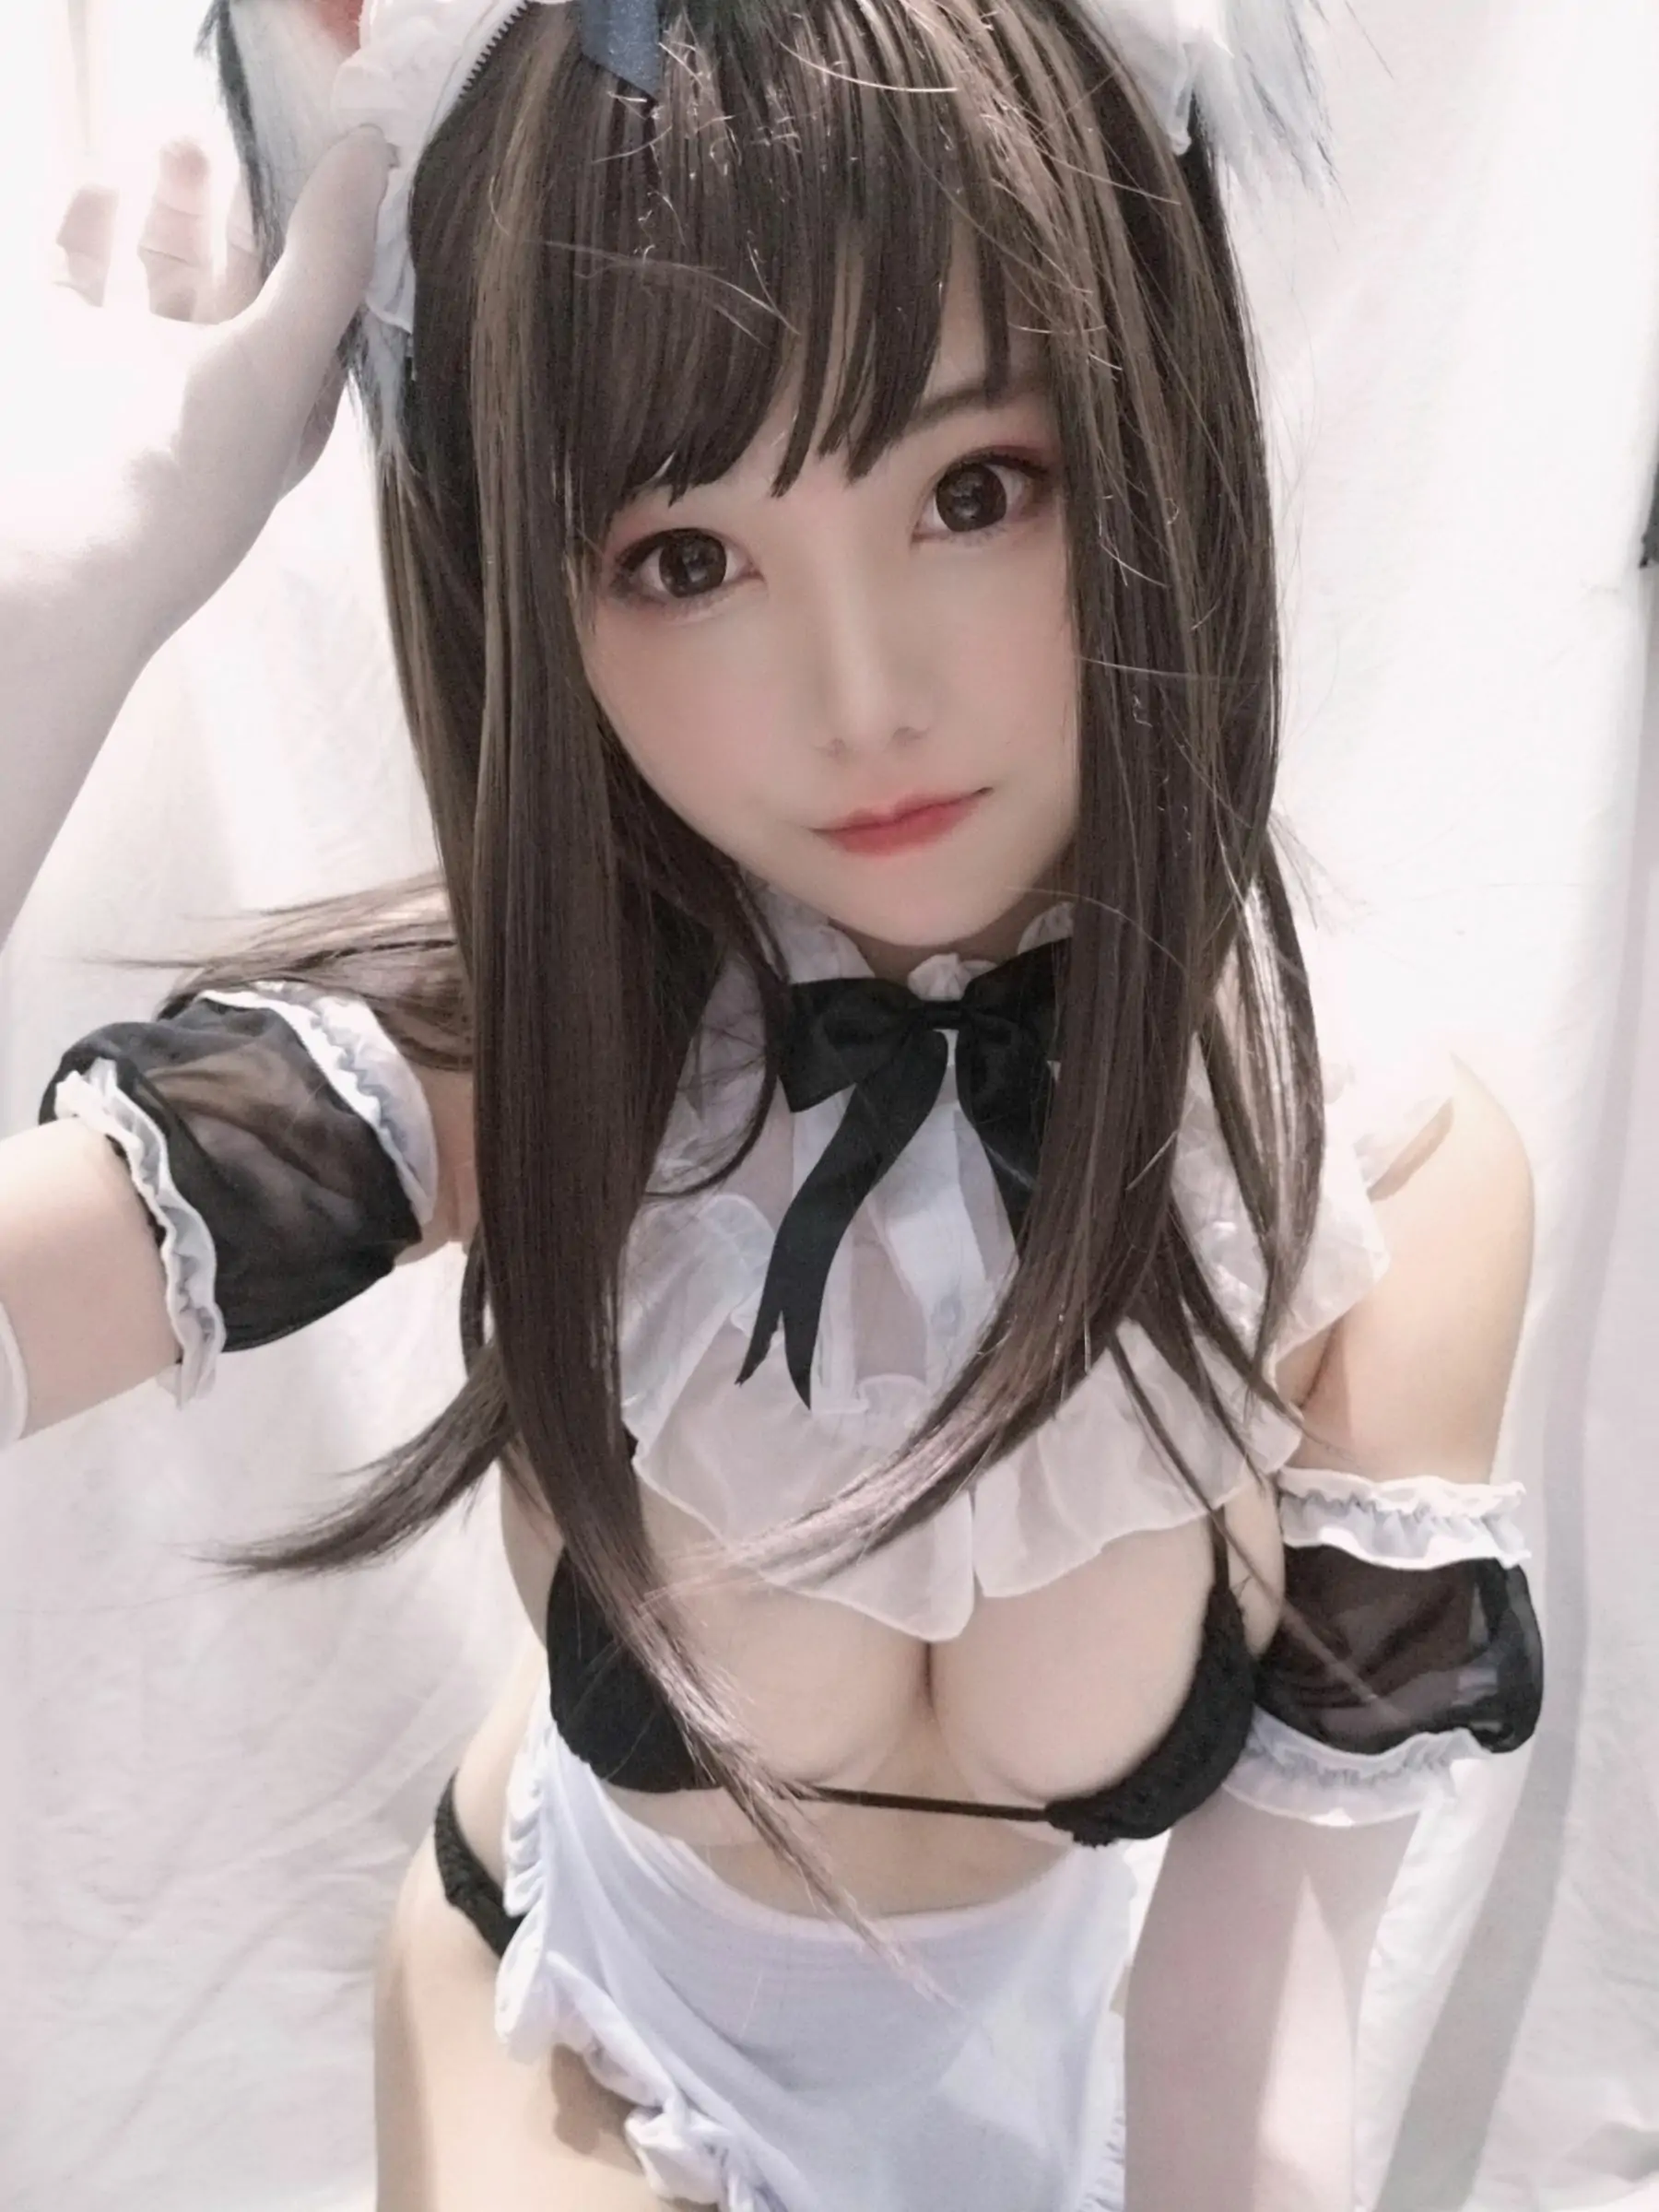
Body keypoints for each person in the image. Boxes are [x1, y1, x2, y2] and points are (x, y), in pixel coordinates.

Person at [0, 1, 1545, 2206]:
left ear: (1155, 423)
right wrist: (50, 622)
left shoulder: (1375, 1179)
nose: (860, 699)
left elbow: (1253, 2059)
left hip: (1025, 2117)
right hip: (572, 2044)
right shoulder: (536, 1053)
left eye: (974, 491)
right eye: (684, 557)